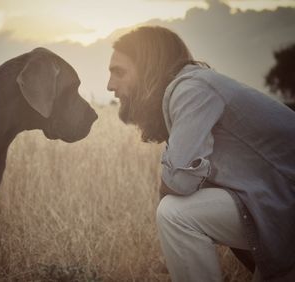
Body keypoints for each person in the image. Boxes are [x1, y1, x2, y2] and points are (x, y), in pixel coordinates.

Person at [106, 26, 295, 282]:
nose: (109, 85)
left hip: (284, 200)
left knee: (175, 213)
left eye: (119, 72)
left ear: (149, 67)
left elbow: (180, 181)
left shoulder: (192, 90)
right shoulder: (193, 88)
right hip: (279, 201)